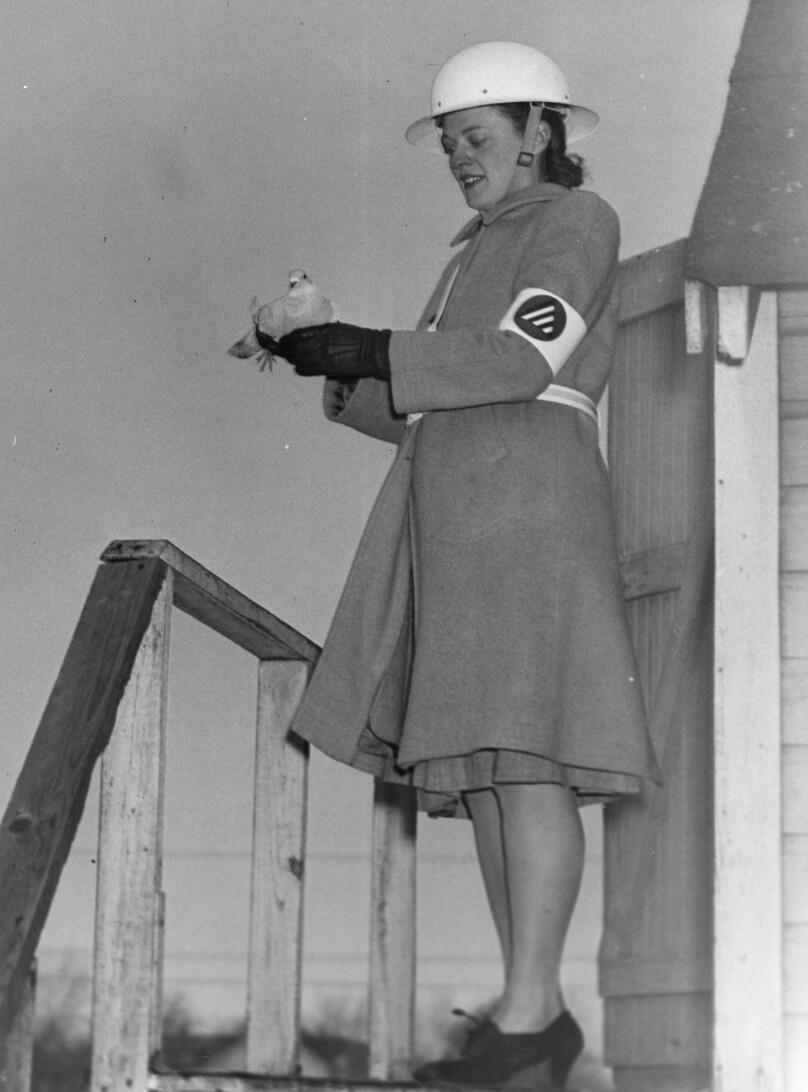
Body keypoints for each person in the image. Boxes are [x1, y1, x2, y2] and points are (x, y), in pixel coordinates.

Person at [261, 40, 661, 1090]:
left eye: (475, 139)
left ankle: (532, 1008)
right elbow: (427, 406)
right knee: (486, 773)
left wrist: (364, 344)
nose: (460, 160)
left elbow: (521, 361)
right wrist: (315, 353)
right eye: (449, 146)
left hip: (530, 504)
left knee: (526, 758)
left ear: (539, 131)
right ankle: (527, 1015)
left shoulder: (578, 222)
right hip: (456, 510)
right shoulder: (470, 251)